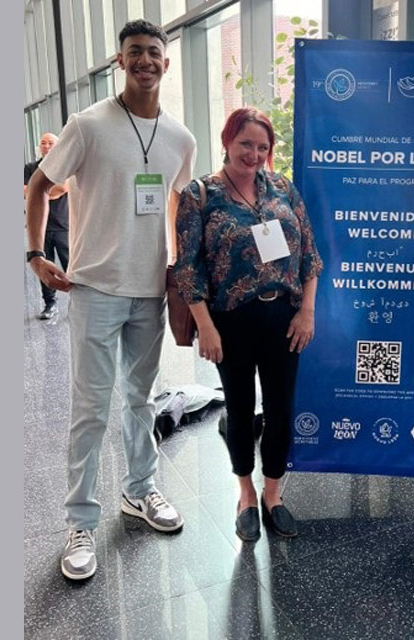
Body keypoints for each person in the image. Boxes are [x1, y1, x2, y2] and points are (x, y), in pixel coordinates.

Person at [25, 19, 196, 581]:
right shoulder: (89, 125)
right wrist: (34, 256)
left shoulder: (180, 138)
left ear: (165, 64)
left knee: (141, 401)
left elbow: (173, 203)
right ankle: (79, 521)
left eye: (153, 52)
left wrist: (174, 265)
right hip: (95, 287)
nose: (145, 60)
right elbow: (38, 188)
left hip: (148, 289)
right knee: (91, 410)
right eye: (134, 53)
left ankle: (139, 491)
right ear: (120, 61)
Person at [174, 107, 322, 542]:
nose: (254, 154)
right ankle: (245, 495)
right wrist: (205, 326)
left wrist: (307, 310)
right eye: (246, 144)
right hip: (230, 322)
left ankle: (273, 494)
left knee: (281, 410)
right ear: (227, 141)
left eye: (262, 146)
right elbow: (188, 270)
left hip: (285, 320)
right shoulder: (200, 195)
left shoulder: (283, 189)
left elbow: (310, 255)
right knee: (239, 410)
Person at [24, 133, 69, 320]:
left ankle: (78, 303)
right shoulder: (29, 168)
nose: (46, 146)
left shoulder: (64, 165)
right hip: (40, 228)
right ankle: (50, 304)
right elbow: (25, 191)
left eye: (51, 143)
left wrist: (39, 191)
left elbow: (64, 187)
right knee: (43, 264)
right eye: (43, 143)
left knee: (71, 265)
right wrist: (43, 192)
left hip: (63, 224)